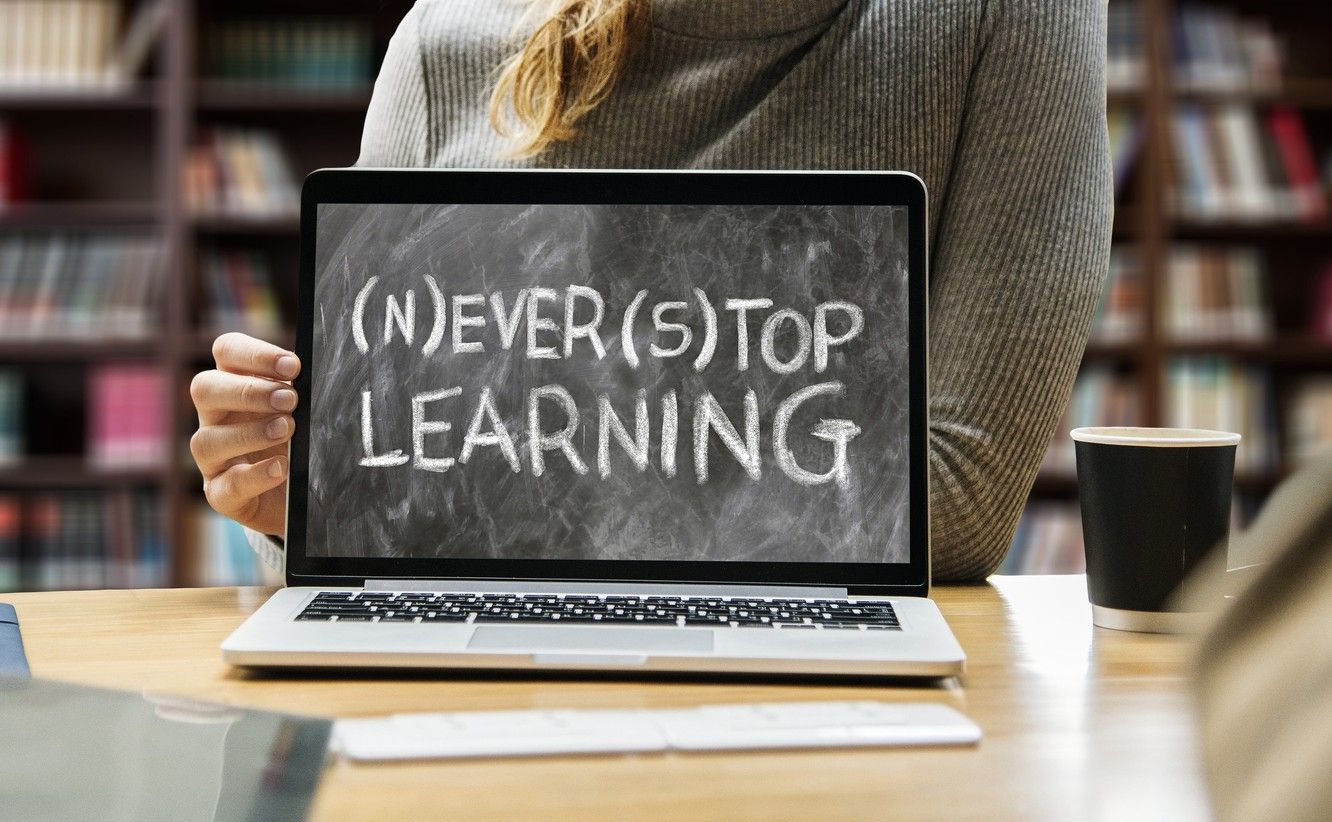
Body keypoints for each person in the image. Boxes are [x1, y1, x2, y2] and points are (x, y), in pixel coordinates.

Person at [188, 0, 1111, 582]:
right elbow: (375, 481)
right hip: (473, 701)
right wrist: (297, 497)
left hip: (818, 713)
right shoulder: (443, 42)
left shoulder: (1006, 17)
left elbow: (956, 498)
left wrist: (469, 507)